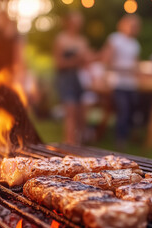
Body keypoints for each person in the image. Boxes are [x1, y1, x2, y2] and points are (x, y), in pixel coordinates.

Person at [102, 14, 141, 148]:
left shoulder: (135, 44)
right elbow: (106, 62)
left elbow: (136, 64)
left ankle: (130, 137)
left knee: (132, 112)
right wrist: (125, 69)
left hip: (131, 84)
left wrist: (138, 72)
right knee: (122, 111)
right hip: (118, 83)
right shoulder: (115, 39)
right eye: (131, 25)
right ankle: (120, 140)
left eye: (136, 26)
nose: (133, 28)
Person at [53, 11, 89, 145]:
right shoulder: (61, 39)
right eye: (75, 22)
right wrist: (75, 60)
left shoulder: (82, 40)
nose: (77, 25)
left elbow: (87, 62)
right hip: (65, 78)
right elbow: (58, 63)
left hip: (78, 78)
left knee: (81, 112)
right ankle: (69, 143)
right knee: (70, 111)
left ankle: (79, 143)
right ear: (69, 23)